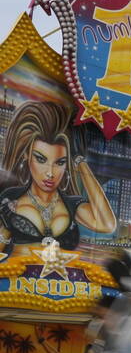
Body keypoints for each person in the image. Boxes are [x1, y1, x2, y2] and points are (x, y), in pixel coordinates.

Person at [0, 101, 116, 257]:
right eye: (41, 159)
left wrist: (79, 161)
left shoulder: (71, 205)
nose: (50, 173)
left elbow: (107, 224)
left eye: (59, 162)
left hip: (63, 281)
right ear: (27, 155)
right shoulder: (10, 198)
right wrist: (7, 227)